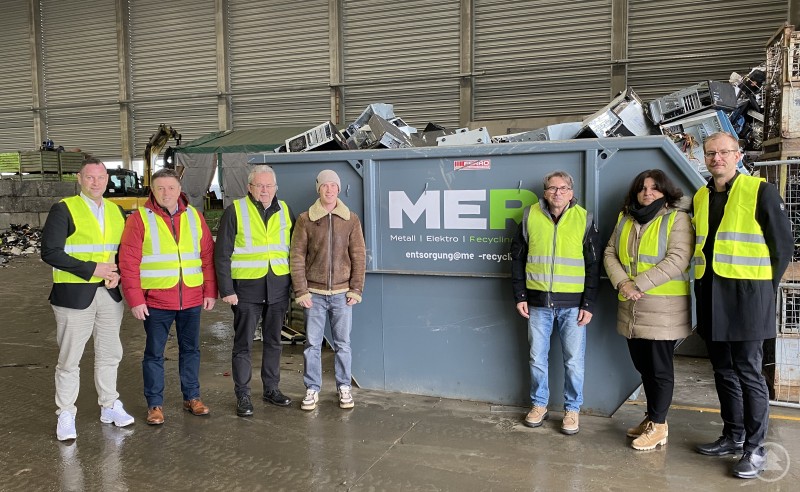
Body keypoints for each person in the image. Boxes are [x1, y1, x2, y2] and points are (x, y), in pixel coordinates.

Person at [693, 132, 792, 479]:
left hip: (749, 297)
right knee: (722, 370)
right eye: (710, 153)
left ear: (738, 155)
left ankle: (755, 448)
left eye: (723, 152)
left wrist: (764, 289)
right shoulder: (701, 196)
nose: (716, 158)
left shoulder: (760, 191)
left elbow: (783, 246)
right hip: (712, 295)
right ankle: (732, 435)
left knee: (749, 372)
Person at [41, 155, 135, 441]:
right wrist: (94, 269)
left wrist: (117, 273)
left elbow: (120, 252)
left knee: (110, 354)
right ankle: (66, 413)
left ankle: (109, 405)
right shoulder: (64, 209)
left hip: (109, 293)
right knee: (70, 358)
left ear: (107, 180)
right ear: (79, 179)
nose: (96, 182)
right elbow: (50, 252)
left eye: (101, 177)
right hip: (74, 295)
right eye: (90, 177)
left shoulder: (116, 211)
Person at [603, 169, 694, 450]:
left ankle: (659, 426)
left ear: (665, 192)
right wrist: (623, 283)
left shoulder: (677, 218)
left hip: (663, 308)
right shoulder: (626, 218)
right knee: (643, 367)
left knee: (659, 370)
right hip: (631, 306)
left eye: (654, 188)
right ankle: (652, 418)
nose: (647, 192)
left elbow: (678, 258)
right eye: (642, 188)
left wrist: (637, 284)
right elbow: (609, 252)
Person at [119, 168, 217, 425]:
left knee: (191, 350)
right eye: (160, 188)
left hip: (191, 297)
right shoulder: (139, 219)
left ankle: (192, 397)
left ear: (179, 189)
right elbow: (128, 262)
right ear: (152, 190)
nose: (166, 193)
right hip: (156, 300)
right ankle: (155, 404)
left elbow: (207, 256)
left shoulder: (194, 216)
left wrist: (210, 290)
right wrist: (135, 299)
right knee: (154, 353)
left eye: (171, 188)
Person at [510, 170, 601, 435]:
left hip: (573, 307)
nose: (557, 193)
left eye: (563, 188)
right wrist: (521, 296)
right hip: (538, 304)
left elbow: (593, 266)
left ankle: (572, 410)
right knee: (537, 358)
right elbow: (517, 258)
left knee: (573, 361)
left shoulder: (584, 218)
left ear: (571, 193)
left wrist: (588, 304)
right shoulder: (530, 216)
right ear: (545, 192)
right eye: (552, 188)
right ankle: (539, 405)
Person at [215, 165, 294, 417]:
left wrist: (295, 286)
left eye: (269, 185)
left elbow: (294, 251)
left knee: (274, 342)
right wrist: (226, 289)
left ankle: (271, 389)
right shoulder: (235, 211)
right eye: (259, 185)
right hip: (246, 289)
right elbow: (222, 253)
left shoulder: (286, 210)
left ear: (276, 188)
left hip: (278, 287)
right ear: (250, 187)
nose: (265, 190)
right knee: (243, 344)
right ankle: (243, 394)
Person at [290, 169, 366, 411]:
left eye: (333, 185)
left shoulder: (350, 219)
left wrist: (356, 289)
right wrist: (301, 291)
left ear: (339, 189)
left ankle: (344, 387)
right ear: (318, 189)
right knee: (312, 344)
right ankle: (312, 389)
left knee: (343, 344)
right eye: (325, 185)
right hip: (313, 295)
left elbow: (359, 256)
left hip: (343, 295)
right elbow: (296, 256)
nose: (329, 189)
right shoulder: (305, 219)